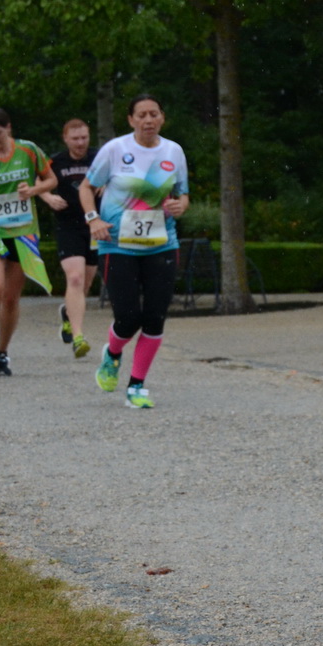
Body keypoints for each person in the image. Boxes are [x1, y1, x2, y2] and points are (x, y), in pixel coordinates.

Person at [80, 95, 189, 410]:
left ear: (162, 118)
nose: (148, 120)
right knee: (128, 317)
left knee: (155, 317)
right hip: (118, 245)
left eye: (154, 114)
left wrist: (180, 205)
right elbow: (86, 187)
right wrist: (93, 219)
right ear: (131, 120)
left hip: (162, 243)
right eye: (141, 115)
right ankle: (113, 353)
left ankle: (137, 385)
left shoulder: (173, 151)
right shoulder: (116, 150)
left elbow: (182, 195)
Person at [0, 107, 57, 376]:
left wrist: (34, 190)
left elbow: (51, 180)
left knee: (11, 298)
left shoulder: (28, 150)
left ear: (9, 128)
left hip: (23, 231)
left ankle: (3, 353)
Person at [42, 119, 99, 357]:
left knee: (84, 284)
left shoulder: (99, 157)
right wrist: (48, 197)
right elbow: (38, 181)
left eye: (84, 137)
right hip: (68, 226)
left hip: (94, 226)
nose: (80, 143)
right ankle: (78, 336)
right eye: (75, 138)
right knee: (74, 279)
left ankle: (68, 313)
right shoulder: (56, 161)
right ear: (65, 139)